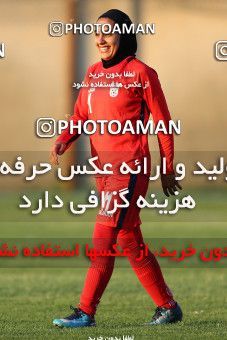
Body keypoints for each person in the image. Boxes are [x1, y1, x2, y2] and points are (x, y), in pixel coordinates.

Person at [51, 9, 183, 328]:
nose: (100, 39)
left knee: (103, 238)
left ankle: (86, 311)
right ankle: (168, 307)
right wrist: (63, 140)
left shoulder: (142, 73)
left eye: (107, 33)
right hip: (104, 172)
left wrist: (167, 167)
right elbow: (81, 116)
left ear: (123, 35)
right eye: (97, 33)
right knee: (129, 240)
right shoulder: (93, 73)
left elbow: (163, 123)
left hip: (129, 169)